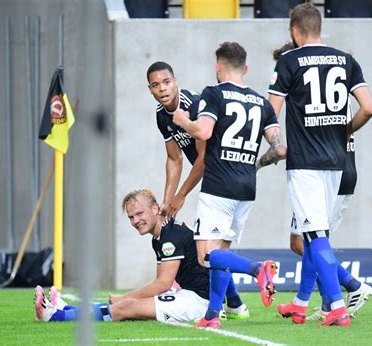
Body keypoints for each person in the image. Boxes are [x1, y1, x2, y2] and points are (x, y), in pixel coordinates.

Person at [268, 3, 372, 326]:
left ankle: (338, 306)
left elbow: (270, 111)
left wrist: (276, 145)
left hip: (305, 163)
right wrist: (345, 130)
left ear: (295, 31)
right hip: (337, 161)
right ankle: (312, 303)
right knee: (314, 234)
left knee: (314, 235)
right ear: (320, 28)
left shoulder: (289, 61)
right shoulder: (346, 60)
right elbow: (368, 108)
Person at [173, 42, 287, 329]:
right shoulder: (262, 102)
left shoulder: (213, 93)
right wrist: (257, 163)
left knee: (206, 256)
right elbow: (280, 148)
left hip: (218, 185)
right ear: (245, 68)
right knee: (221, 251)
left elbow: (203, 130)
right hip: (247, 187)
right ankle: (213, 315)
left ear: (218, 67)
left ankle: (257, 269)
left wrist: (183, 120)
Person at [34, 189, 210, 323]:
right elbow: (162, 282)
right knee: (128, 304)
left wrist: (126, 297)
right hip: (187, 294)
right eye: (131, 217)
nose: (135, 221)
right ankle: (66, 309)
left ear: (156, 208)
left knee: (128, 306)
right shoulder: (160, 236)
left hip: (199, 301)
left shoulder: (170, 237)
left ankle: (56, 316)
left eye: (140, 213)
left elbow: (163, 284)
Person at [147, 61, 206, 219]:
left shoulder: (194, 105)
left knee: (209, 240)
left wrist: (180, 195)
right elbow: (174, 159)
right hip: (210, 179)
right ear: (150, 89)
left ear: (175, 81)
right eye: (155, 85)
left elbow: (204, 158)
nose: (162, 89)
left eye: (166, 82)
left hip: (223, 173)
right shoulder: (161, 115)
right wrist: (167, 202)